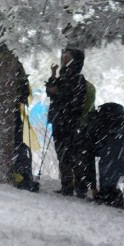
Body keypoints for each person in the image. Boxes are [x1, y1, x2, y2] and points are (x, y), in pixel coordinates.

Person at [45, 47, 93, 197]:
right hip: (59, 120)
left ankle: (79, 186)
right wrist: (53, 75)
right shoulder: (64, 75)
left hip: (70, 121)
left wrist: (57, 92)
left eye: (67, 57)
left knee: (73, 153)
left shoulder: (78, 78)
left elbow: (70, 98)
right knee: (62, 153)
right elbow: (50, 91)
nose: (64, 59)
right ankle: (68, 184)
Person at [85, 102, 124, 208]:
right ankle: (110, 195)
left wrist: (92, 186)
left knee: (108, 165)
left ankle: (109, 195)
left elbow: (88, 158)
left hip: (115, 153)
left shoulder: (96, 128)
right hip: (121, 156)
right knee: (110, 167)